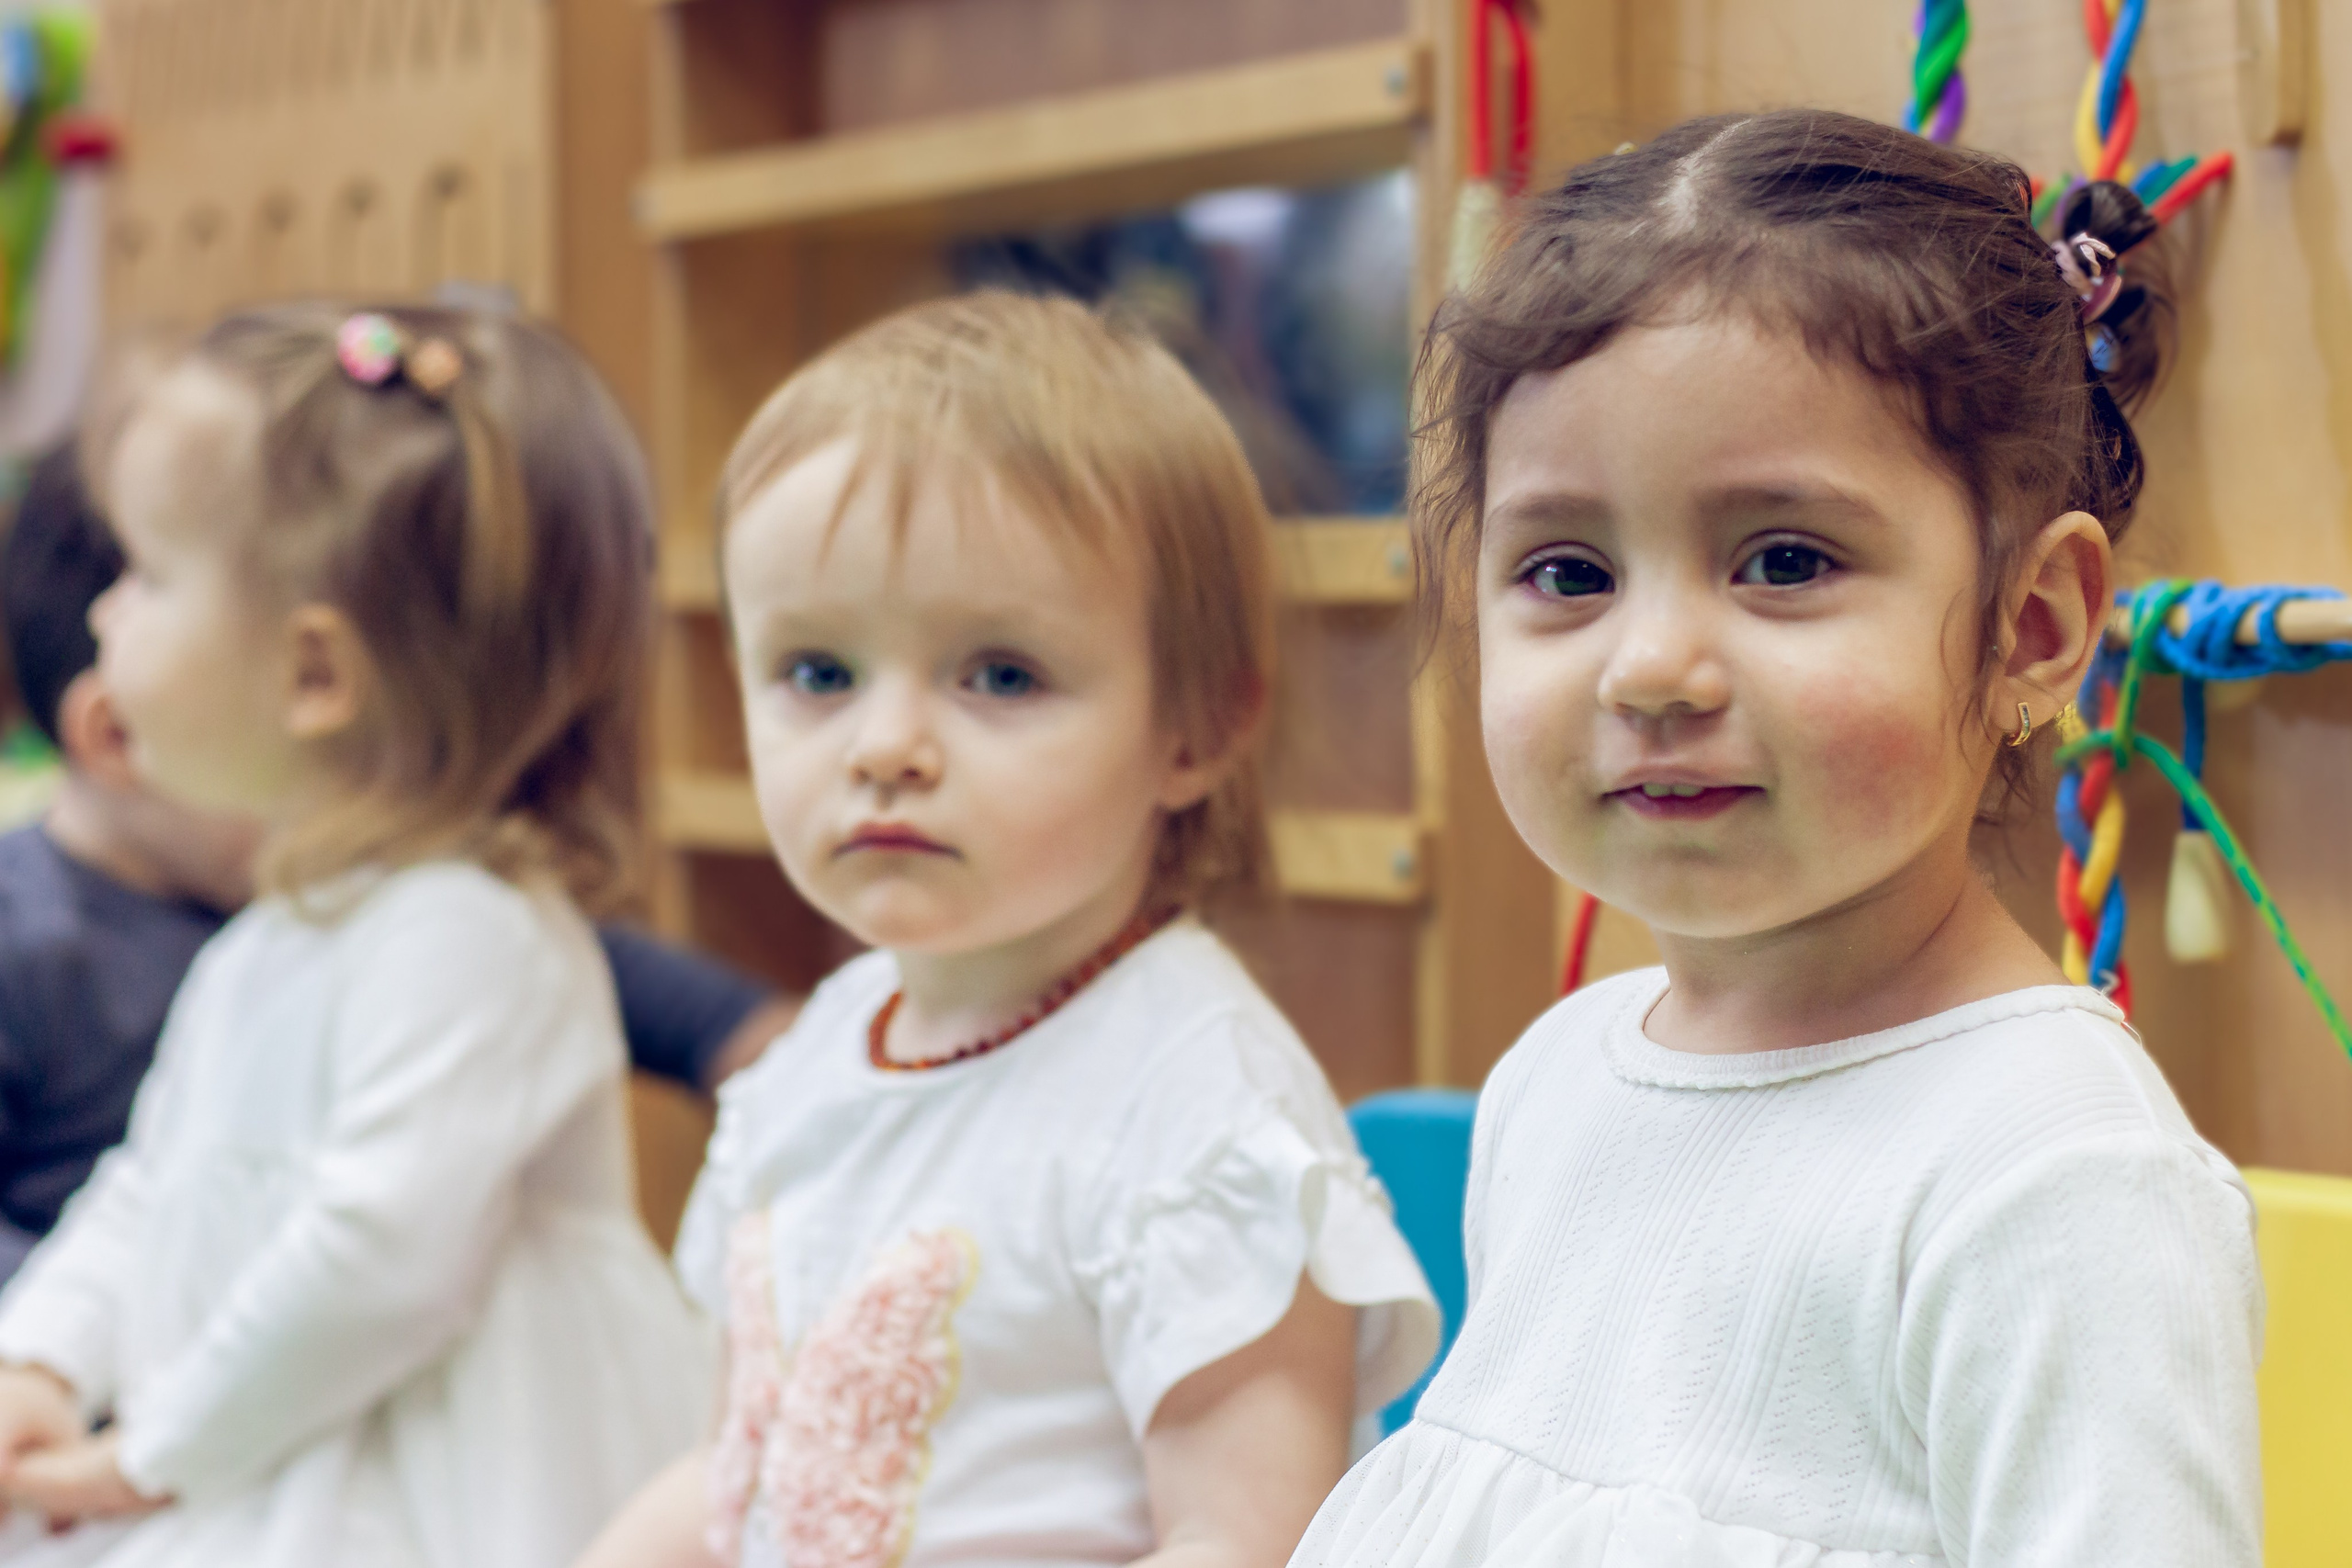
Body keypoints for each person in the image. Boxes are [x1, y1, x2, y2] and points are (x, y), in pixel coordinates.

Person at [1293, 111, 2262, 1568]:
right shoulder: (1560, 1071)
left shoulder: (2056, 1174)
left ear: (2033, 627)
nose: (1652, 667)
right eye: (1568, 570)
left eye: (1786, 560)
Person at [580, 292, 1440, 1568]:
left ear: (1195, 727)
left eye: (999, 674)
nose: (885, 747)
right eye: (819, 671)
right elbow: (739, 1471)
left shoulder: (1195, 1109)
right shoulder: (824, 1044)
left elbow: (1245, 1538)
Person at [0, 304, 711, 1564]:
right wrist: (42, 1354)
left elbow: (377, 1261)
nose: (105, 621)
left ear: (315, 673)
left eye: (148, 576)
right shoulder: (276, 933)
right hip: (272, 1450)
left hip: (432, 1490)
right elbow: (146, 1187)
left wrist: (150, 1450)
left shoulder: (467, 934)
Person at [0, 444, 795, 1283]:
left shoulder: (424, 901)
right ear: (118, 733)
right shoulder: (30, 945)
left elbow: (743, 1031)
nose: (378, 779)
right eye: (320, 733)